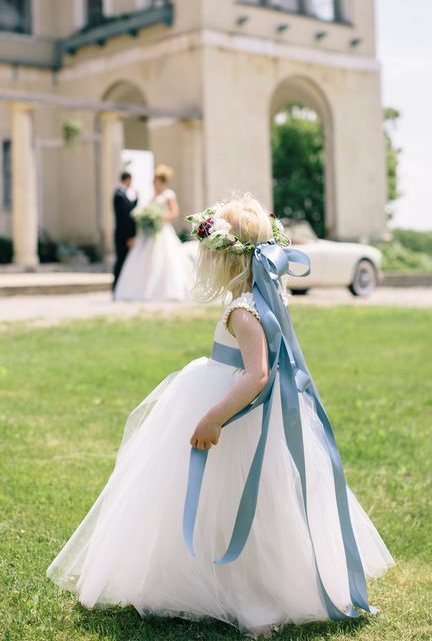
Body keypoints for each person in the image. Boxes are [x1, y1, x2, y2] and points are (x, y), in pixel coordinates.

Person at [47, 194, 394, 636]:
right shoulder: (264, 302)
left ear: (228, 261)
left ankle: (238, 588)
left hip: (233, 413)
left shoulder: (243, 311)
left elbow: (257, 375)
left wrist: (214, 417)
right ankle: (239, 578)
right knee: (248, 502)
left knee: (228, 499)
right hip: (243, 413)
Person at [114, 164, 191, 301]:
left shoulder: (169, 194)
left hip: (163, 230)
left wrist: (159, 217)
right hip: (150, 232)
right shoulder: (153, 195)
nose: (152, 182)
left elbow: (174, 213)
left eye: (154, 179)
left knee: (166, 258)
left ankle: (168, 291)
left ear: (160, 180)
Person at [112, 172, 138, 291]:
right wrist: (129, 236)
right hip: (122, 235)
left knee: (124, 260)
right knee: (121, 260)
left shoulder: (122, 194)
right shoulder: (119, 195)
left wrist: (136, 200)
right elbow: (124, 218)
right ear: (128, 179)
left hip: (123, 234)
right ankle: (116, 286)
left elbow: (129, 209)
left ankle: (120, 287)